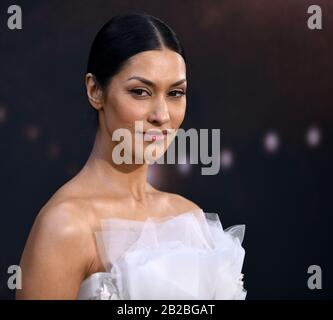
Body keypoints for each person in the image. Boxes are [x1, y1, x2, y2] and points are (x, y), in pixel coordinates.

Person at [16, 13, 246, 300]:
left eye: (175, 93)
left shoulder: (190, 218)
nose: (161, 115)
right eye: (140, 91)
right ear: (95, 91)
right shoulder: (65, 226)